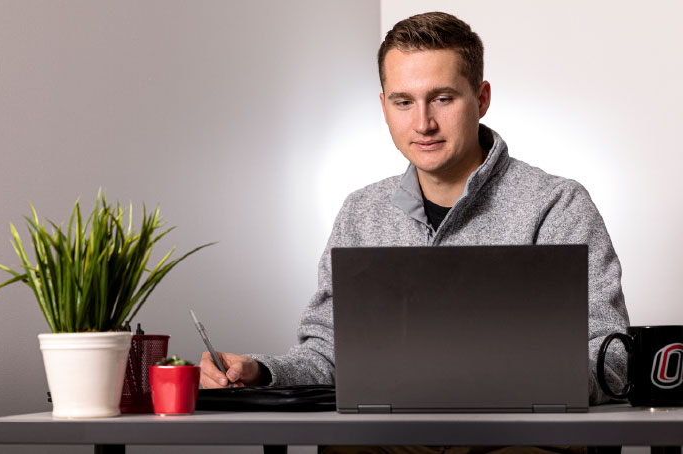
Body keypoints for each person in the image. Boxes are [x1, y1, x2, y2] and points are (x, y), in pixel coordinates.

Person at [201, 8, 628, 423]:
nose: (423, 123)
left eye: (442, 98)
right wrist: (260, 371)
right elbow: (329, 355)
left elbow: (612, 359)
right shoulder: (361, 212)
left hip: (519, 438)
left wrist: (505, 380)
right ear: (384, 106)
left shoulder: (556, 204)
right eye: (404, 102)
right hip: (388, 441)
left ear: (481, 99)